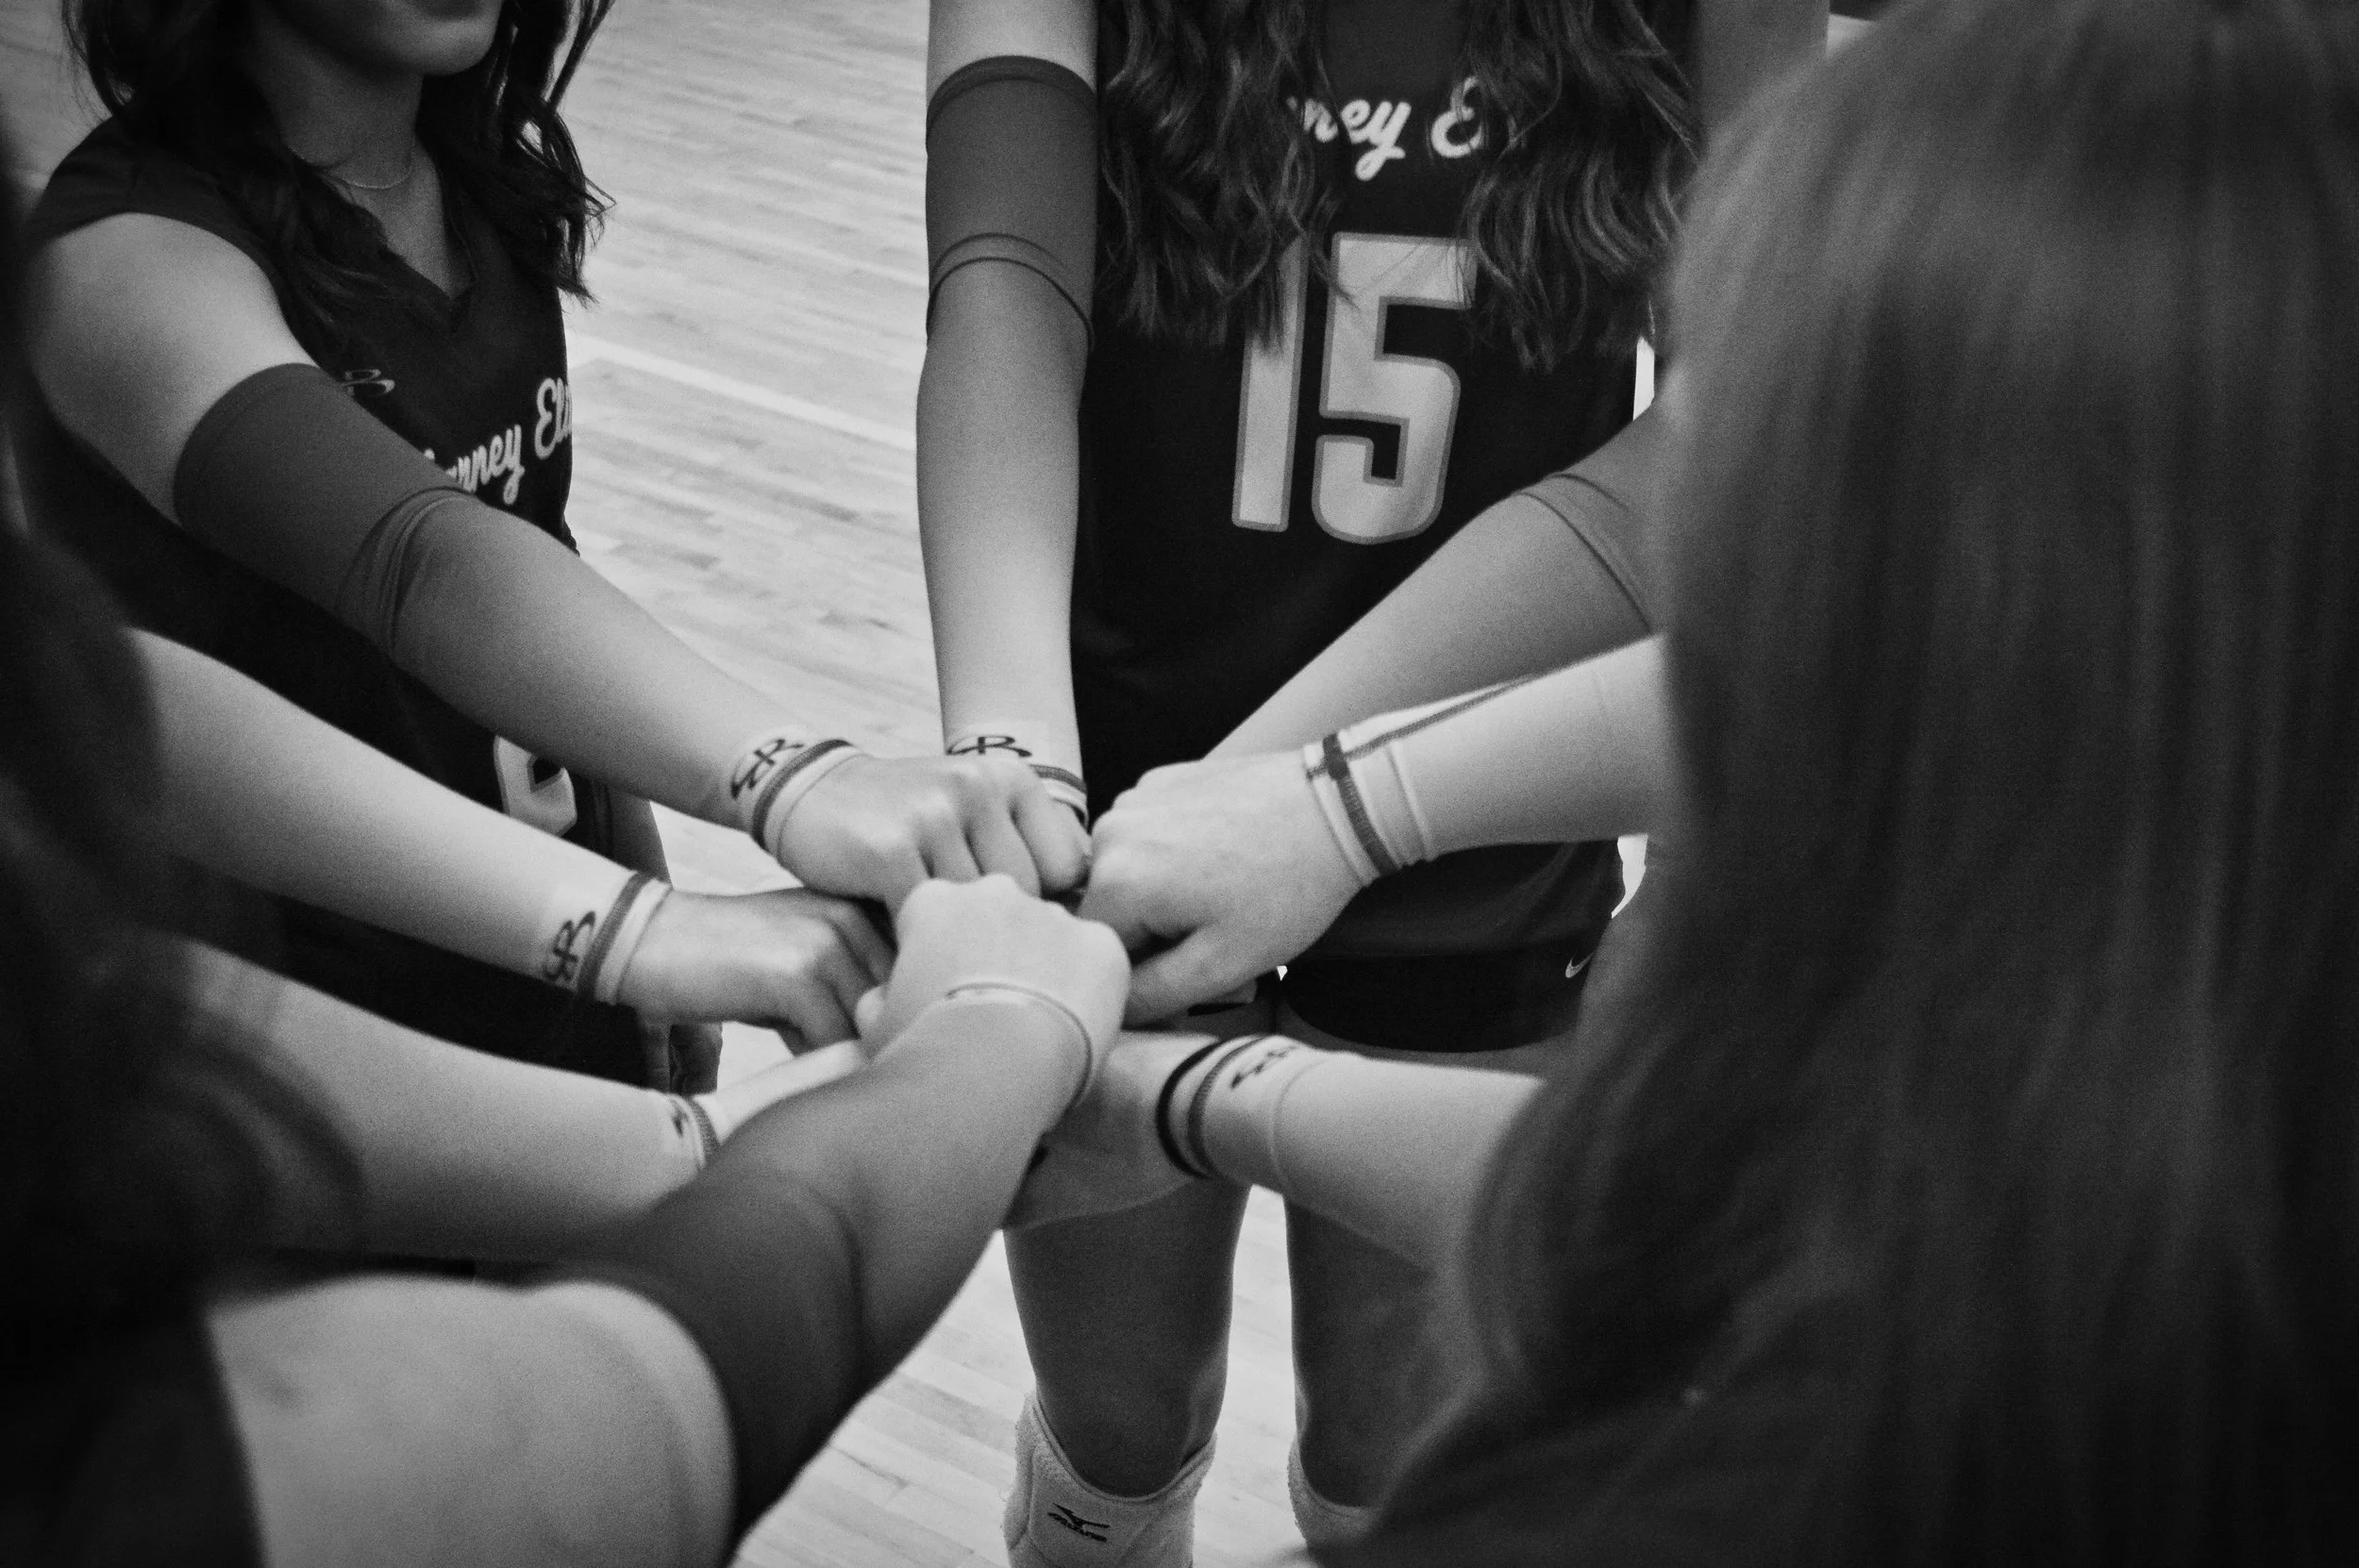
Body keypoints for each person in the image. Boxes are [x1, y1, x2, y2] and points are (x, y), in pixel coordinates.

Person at [1023, 0, 2359, 1560]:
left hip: (1442, 911)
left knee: (1409, 1460)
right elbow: (1681, 1205)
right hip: (1255, 841)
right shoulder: (2140, 992)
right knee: (1144, 1441)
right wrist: (1230, 1043)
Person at [917, 0, 1824, 1555]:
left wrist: (1295, 788)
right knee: (1120, 1429)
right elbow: (1004, 291)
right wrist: (1014, 755)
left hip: (1481, 811)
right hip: (1111, 798)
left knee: (1397, 1460)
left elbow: (1739, 409)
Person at [3, 457, 1137, 1567]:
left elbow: (73, 696)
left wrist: (655, 935)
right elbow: (609, 1429)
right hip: (321, 1051)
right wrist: (986, 1046)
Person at [16, 0, 1087, 1093]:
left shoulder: (469, 171)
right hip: (308, 1037)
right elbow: (420, 557)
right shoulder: (122, 257)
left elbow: (533, 538)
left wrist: (638, 875)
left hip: (550, 943)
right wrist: (794, 781)